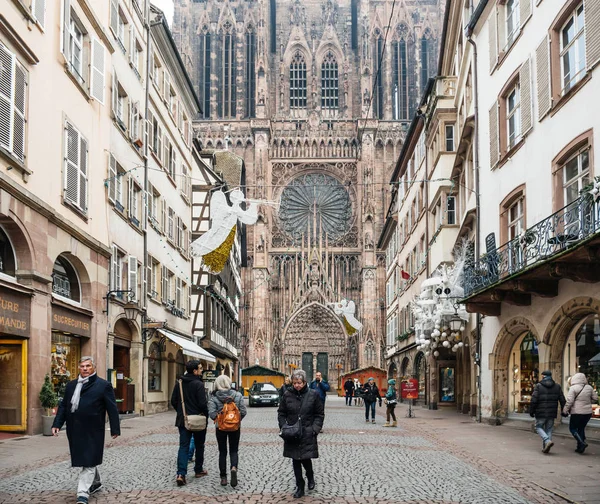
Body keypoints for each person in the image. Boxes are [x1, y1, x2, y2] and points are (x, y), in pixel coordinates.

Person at [52, 356, 120, 504]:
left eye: (88, 366)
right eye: (82, 366)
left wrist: (115, 428)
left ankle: (82, 494)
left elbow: (112, 408)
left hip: (93, 430)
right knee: (88, 458)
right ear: (79, 368)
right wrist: (57, 424)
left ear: (93, 367)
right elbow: (64, 406)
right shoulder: (71, 385)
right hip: (74, 429)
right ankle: (95, 483)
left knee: (89, 459)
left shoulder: (103, 385)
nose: (84, 369)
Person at [278, 369, 324, 499]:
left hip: (307, 432)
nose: (297, 385)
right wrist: (284, 427)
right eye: (295, 382)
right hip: (292, 432)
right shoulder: (287, 395)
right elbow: (281, 413)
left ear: (305, 382)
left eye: (299, 382)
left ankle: (310, 476)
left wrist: (314, 429)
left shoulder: (313, 395)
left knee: (305, 458)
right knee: (295, 460)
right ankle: (300, 485)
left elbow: (319, 414)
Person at [171, 360, 209, 486]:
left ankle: (181, 474)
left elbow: (173, 400)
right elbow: (203, 404)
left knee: (183, 446)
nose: (201, 370)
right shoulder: (198, 384)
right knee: (199, 445)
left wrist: (182, 413)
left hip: (184, 420)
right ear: (194, 371)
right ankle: (198, 470)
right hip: (198, 419)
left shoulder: (179, 383)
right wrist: (205, 415)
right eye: (200, 368)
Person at [208, 374, 247, 487]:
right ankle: (233, 467)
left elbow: (211, 414)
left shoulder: (214, 398)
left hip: (220, 428)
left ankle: (223, 477)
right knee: (234, 450)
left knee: (222, 452)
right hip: (235, 428)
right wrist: (236, 421)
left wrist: (220, 419)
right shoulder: (238, 395)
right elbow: (243, 411)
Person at [529, 370, 566, 453]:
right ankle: (546, 447)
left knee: (538, 427)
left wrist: (531, 411)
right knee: (549, 429)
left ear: (543, 376)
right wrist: (565, 410)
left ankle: (547, 441)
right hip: (552, 412)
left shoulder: (538, 386)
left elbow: (534, 400)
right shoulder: (557, 386)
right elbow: (562, 400)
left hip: (540, 412)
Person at [563, 372, 599, 453]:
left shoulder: (573, 388)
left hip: (577, 412)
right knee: (581, 428)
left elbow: (569, 401)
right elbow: (596, 398)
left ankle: (582, 443)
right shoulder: (589, 387)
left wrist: (565, 411)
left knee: (572, 428)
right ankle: (580, 447)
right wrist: (588, 402)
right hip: (587, 413)